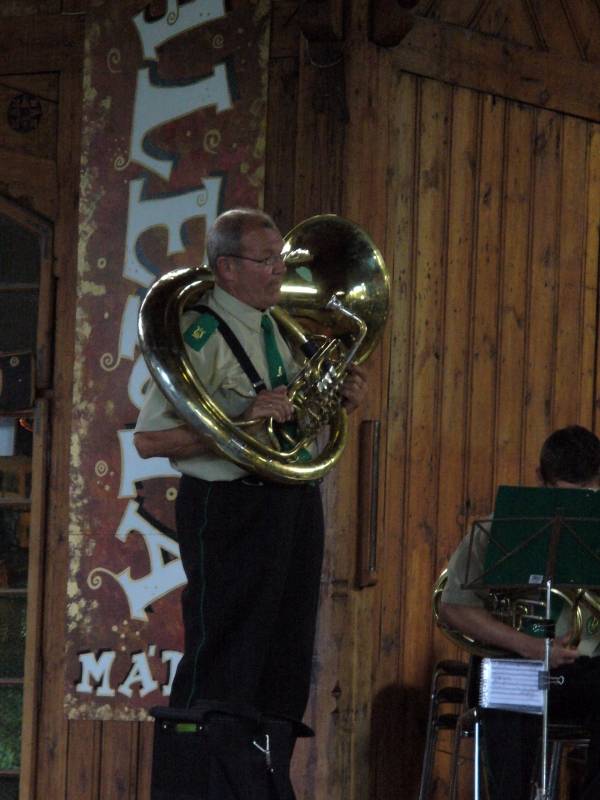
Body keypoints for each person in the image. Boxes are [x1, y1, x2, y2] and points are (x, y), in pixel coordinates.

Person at [134, 208, 367, 797]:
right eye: (266, 261)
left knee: (284, 657)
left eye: (279, 259)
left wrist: (337, 396)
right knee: (225, 654)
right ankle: (200, 785)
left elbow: (295, 420)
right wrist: (240, 416)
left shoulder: (280, 329)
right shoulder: (199, 333)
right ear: (227, 269)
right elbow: (150, 439)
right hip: (230, 504)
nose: (279, 272)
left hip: (292, 502)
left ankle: (261, 781)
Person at [439, 425, 600, 800]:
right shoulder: (499, 529)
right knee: (504, 692)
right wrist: (529, 646)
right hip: (516, 666)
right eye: (562, 495)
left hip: (584, 671)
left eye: (587, 496)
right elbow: (452, 607)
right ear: (540, 479)